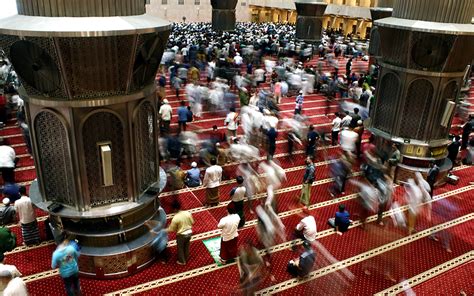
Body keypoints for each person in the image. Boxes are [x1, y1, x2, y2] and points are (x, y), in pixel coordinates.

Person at [166, 200, 194, 265]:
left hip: (182, 235)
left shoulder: (175, 218)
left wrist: (164, 229)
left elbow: (171, 229)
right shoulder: (187, 213)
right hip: (189, 233)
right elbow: (192, 222)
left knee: (180, 248)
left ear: (174, 209)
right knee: (187, 246)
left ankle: (182, 261)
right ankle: (186, 258)